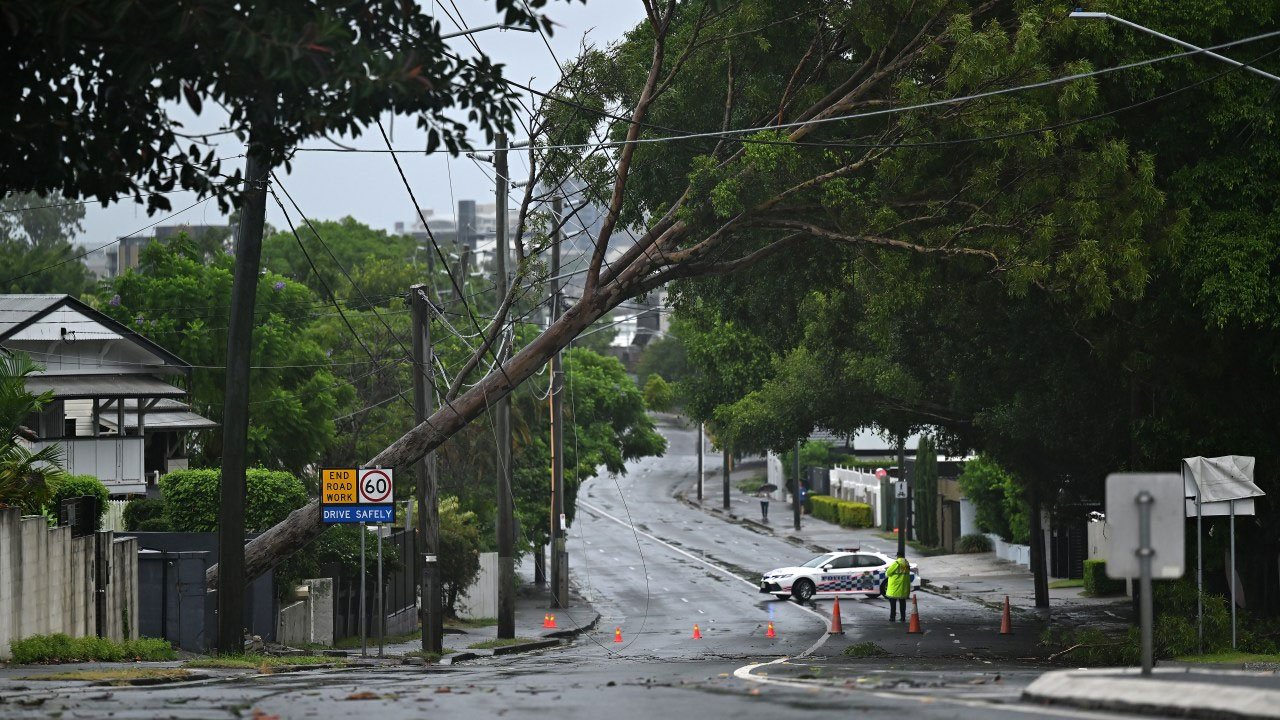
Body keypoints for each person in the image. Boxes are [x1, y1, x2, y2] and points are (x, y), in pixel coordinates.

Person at [885, 553, 910, 622]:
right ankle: (903, 618)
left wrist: (887, 570)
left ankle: (892, 617)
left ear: (898, 556)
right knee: (902, 603)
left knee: (893, 603)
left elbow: (888, 573)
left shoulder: (896, 563)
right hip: (903, 587)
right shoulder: (907, 563)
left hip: (895, 587)